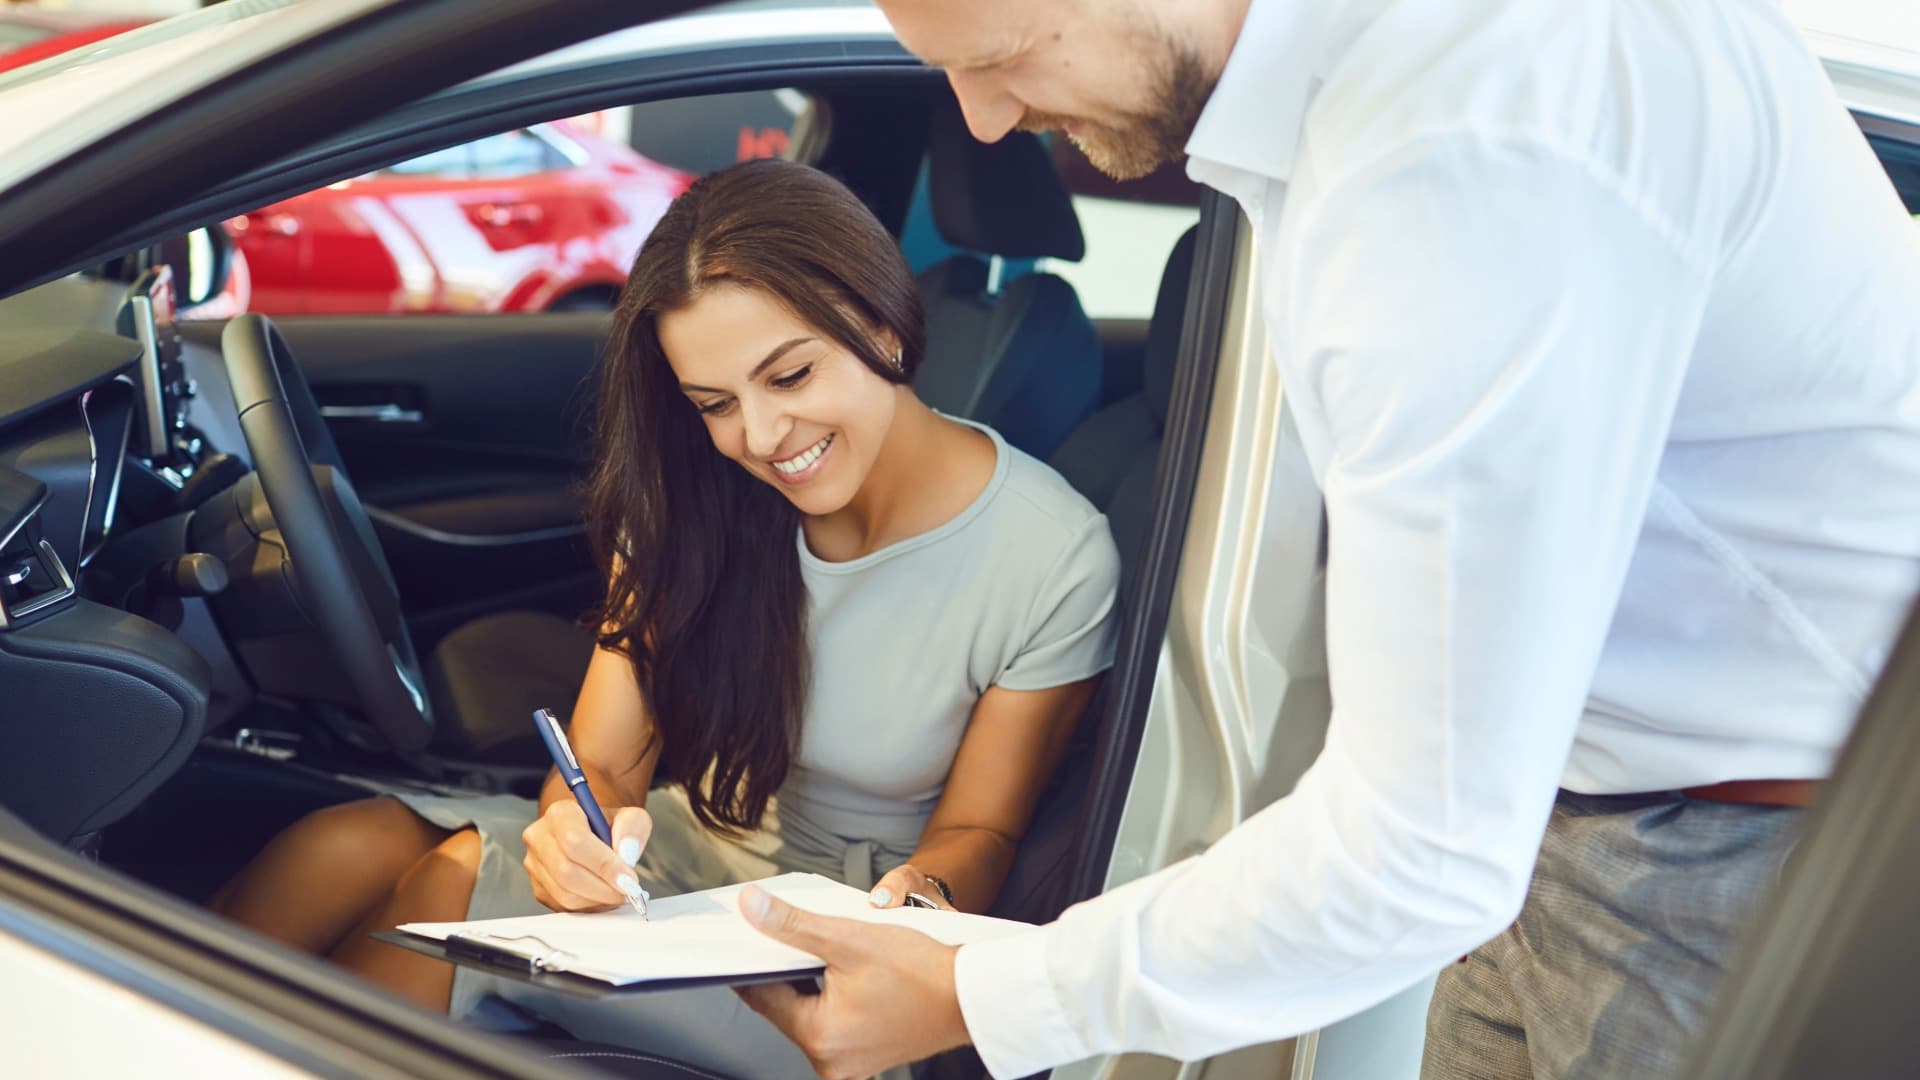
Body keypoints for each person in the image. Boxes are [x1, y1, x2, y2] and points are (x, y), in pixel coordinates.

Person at [731, 1, 1920, 1078]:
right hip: (1578, 814)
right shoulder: (1348, 102)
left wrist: (981, 996)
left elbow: (1424, 846)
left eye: (999, 56)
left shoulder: (1468, 145)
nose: (985, 120)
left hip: (1745, 861)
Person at [211, 159, 1122, 1078]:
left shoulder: (1051, 556)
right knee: (343, 841)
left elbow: (981, 833)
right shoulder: (698, 499)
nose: (761, 438)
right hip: (691, 854)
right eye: (715, 405)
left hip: (846, 939)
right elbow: (602, 766)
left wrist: (920, 900)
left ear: (881, 322)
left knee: (446, 884)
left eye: (790, 375)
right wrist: (576, 834)